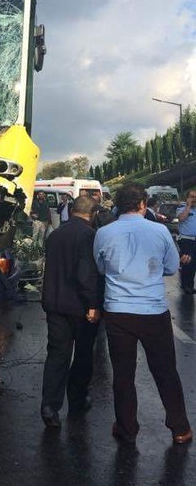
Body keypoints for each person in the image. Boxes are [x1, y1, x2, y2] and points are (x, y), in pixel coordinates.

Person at [93, 183, 192, 445]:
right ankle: (180, 428)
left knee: (123, 375)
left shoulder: (103, 233)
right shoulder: (159, 231)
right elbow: (171, 268)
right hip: (152, 310)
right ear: (142, 204)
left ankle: (127, 428)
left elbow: (101, 269)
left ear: (117, 205)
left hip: (118, 312)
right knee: (165, 371)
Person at [40, 195, 103, 428]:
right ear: (92, 213)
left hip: (55, 304)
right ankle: (77, 397)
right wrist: (93, 304)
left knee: (57, 354)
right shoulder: (89, 235)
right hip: (80, 307)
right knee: (84, 353)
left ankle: (49, 405)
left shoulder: (55, 234)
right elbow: (86, 274)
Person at [176, 189, 196, 294]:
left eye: (195, 197)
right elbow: (181, 218)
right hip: (186, 240)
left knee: (194, 264)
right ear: (187, 198)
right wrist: (188, 206)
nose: (194, 199)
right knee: (187, 262)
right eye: (191, 197)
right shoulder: (182, 208)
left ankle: (191, 285)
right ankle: (185, 285)